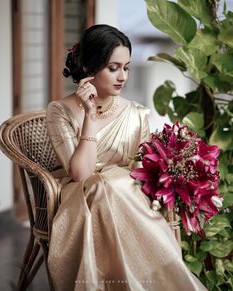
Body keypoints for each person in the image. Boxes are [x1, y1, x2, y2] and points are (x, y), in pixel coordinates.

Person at [46, 24, 207, 291]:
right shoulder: (60, 111)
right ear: (89, 68)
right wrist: (89, 115)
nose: (123, 76)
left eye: (127, 67)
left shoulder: (136, 113)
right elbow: (81, 175)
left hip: (128, 200)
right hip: (83, 198)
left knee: (117, 183)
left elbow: (141, 174)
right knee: (102, 184)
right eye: (113, 68)